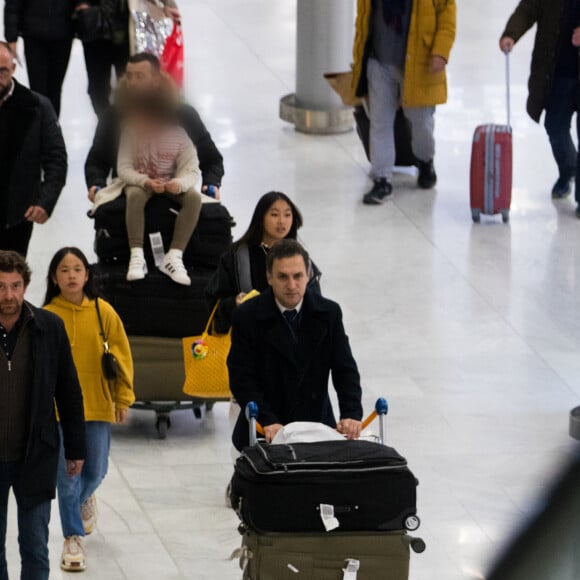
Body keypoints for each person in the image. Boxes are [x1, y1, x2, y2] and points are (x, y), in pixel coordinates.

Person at [43, 247, 134, 572]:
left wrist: (122, 397)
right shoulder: (46, 315)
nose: (71, 275)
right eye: (64, 270)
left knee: (96, 471)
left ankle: (85, 498)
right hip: (58, 413)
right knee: (67, 477)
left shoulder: (103, 312)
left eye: (77, 268)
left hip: (96, 407)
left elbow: (121, 357)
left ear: (87, 275)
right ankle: (73, 538)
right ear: (54, 277)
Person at [227, 239, 363, 451]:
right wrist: (267, 420)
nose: (292, 285)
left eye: (298, 276)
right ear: (269, 277)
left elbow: (345, 369)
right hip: (264, 432)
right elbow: (241, 377)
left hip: (316, 427)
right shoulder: (246, 316)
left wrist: (351, 413)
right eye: (283, 277)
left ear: (308, 275)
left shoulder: (329, 313)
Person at [0, 250, 86, 580]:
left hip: (34, 456)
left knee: (35, 545)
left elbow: (68, 390)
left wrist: (76, 448)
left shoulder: (49, 328)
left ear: (26, 286)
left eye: (16, 285)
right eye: (2, 287)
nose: (9, 295)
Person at [90, 86, 202, 285]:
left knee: (193, 199)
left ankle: (175, 255)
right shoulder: (131, 132)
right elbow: (124, 168)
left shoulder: (179, 135)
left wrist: (178, 184)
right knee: (135, 196)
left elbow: (192, 169)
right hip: (139, 183)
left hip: (170, 185)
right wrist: (145, 181)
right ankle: (136, 253)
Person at [351, 0, 456, 204]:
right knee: (380, 122)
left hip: (420, 62)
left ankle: (425, 160)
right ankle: (382, 179)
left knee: (420, 121)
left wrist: (441, 50)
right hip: (379, 60)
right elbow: (364, 15)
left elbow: (447, 12)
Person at [85, 52, 224, 202]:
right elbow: (97, 159)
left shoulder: (183, 115)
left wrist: (211, 182)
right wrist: (96, 184)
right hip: (127, 191)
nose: (132, 83)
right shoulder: (113, 116)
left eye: (139, 76)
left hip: (176, 191)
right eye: (129, 76)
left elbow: (211, 158)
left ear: (157, 80)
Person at [500, 1, 580, 210]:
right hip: (557, 74)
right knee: (555, 127)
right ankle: (569, 168)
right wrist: (511, 34)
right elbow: (528, 9)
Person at [206, 192, 321, 333]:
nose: (281, 221)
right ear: (261, 218)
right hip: (248, 340)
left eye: (287, 215)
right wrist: (234, 303)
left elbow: (316, 304)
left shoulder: (300, 258)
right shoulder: (236, 257)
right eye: (274, 215)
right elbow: (213, 301)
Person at [0, 42, 67, 256]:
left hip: (17, 217)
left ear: (13, 69)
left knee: (11, 283)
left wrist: (45, 201)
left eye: (2, 71)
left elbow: (56, 159)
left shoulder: (37, 107)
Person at [75, 0, 181, 116]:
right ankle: (108, 126)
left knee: (132, 83)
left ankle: (129, 123)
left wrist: (169, 4)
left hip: (129, 26)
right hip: (95, 25)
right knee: (97, 89)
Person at [3, 0, 75, 117]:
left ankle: (50, 130)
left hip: (62, 31)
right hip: (34, 34)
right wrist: (11, 36)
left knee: (54, 91)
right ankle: (41, 130)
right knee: (38, 90)